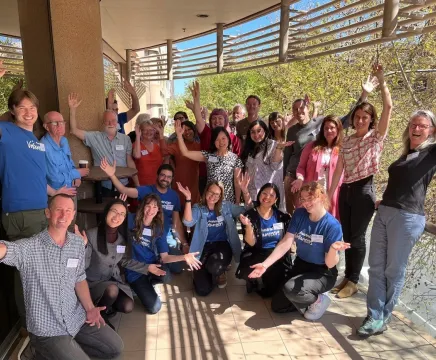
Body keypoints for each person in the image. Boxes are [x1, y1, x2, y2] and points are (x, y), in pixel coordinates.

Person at [0, 194, 123, 360]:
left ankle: (49, 355)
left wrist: (90, 308)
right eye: (58, 210)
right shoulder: (29, 248)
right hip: (46, 329)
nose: (63, 215)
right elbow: (5, 250)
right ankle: (42, 350)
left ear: (73, 215)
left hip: (75, 317)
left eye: (68, 211)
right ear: (48, 213)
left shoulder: (77, 244)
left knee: (115, 347)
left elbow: (79, 278)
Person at [357, 110, 436, 337]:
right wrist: (386, 200)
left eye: (422, 125)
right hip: (384, 212)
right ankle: (374, 314)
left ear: (432, 131)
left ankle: (383, 317)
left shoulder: (431, 154)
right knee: (376, 267)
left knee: (394, 270)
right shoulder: (406, 155)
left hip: (408, 218)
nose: (416, 128)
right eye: (413, 124)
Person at [328, 64, 392, 298]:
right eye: (358, 116)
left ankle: (354, 280)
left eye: (365, 117)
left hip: (365, 189)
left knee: (357, 236)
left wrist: (381, 80)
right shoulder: (346, 141)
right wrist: (330, 193)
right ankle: (347, 276)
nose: (361, 120)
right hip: (346, 190)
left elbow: (388, 107)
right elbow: (338, 170)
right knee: (346, 235)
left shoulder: (376, 138)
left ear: (371, 120)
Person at [249, 182, 350, 320]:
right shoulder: (299, 214)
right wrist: (265, 265)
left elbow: (331, 264)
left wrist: (332, 249)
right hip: (301, 265)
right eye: (303, 199)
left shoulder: (332, 225)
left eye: (310, 198)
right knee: (277, 305)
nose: (306, 203)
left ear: (321, 197)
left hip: (322, 272)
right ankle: (306, 298)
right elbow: (286, 242)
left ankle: (317, 300)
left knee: (291, 289)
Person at [283, 79, 378, 214]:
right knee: (296, 214)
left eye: (302, 108)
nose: (299, 111)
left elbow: (346, 120)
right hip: (295, 175)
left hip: (319, 177)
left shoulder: (320, 122)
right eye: (295, 109)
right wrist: (285, 177)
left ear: (308, 107)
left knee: (324, 213)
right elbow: (287, 154)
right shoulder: (292, 130)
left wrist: (363, 96)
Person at [99, 161, 189, 274]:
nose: (165, 178)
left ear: (172, 179)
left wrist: (184, 243)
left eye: (169, 177)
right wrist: (112, 175)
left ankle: (159, 260)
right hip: (145, 238)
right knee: (163, 272)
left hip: (164, 238)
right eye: (162, 175)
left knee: (178, 268)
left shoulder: (174, 196)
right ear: (157, 176)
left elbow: (177, 223)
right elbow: (124, 190)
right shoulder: (146, 190)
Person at [85, 196, 160, 327]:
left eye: (122, 214)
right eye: (114, 211)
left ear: (125, 218)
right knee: (112, 290)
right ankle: (99, 315)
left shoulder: (121, 239)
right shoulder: (90, 235)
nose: (117, 216)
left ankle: (106, 306)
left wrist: (147, 268)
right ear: (106, 212)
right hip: (93, 282)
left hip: (113, 279)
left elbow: (125, 261)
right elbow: (82, 266)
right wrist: (83, 247)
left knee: (128, 306)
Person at [126, 194, 201, 313]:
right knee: (154, 308)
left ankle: (150, 283)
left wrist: (184, 257)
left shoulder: (158, 228)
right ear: (142, 206)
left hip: (152, 267)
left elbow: (164, 257)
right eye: (148, 205)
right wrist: (119, 206)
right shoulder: (130, 219)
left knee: (167, 276)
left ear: (158, 210)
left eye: (155, 206)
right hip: (135, 270)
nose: (151, 209)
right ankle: (136, 287)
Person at [177, 175, 251, 294]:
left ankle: (218, 270)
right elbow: (188, 221)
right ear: (206, 191)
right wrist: (188, 199)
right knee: (202, 291)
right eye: (211, 192)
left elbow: (248, 210)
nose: (213, 196)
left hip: (222, 245)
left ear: (220, 196)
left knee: (215, 266)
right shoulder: (198, 207)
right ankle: (206, 272)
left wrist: (245, 191)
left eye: (217, 194)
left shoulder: (226, 206)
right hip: (204, 246)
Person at [68, 93, 140, 197]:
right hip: (104, 185)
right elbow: (74, 130)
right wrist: (72, 110)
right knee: (106, 213)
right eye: (107, 121)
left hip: (123, 184)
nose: (111, 124)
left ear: (117, 122)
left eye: (113, 121)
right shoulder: (95, 137)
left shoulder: (126, 139)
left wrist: (137, 184)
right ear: (103, 123)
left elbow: (129, 161)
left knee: (122, 212)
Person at [236, 183, 292, 297]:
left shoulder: (281, 216)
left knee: (270, 292)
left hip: (275, 255)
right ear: (259, 195)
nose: (267, 197)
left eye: (272, 195)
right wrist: (248, 226)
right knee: (247, 271)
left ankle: (267, 277)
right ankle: (252, 281)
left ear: (276, 199)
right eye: (264, 193)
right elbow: (251, 243)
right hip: (257, 252)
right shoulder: (250, 215)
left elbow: (287, 242)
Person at [186, 82, 241, 194]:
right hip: (206, 177)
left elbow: (238, 162)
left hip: (227, 180)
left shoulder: (234, 139)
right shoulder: (206, 132)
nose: (217, 121)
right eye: (214, 119)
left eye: (220, 118)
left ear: (225, 120)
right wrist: (197, 98)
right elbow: (198, 117)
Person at [41, 111, 90, 230]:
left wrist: (76, 177)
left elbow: (70, 162)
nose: (60, 125)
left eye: (62, 122)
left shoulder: (64, 141)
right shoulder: (44, 146)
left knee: (71, 225)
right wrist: (77, 173)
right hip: (56, 195)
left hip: (71, 191)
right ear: (46, 126)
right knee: (58, 228)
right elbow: (54, 178)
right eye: (55, 123)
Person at [175, 120, 243, 204]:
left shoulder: (235, 159)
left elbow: (237, 182)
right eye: (217, 140)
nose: (221, 142)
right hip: (210, 200)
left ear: (228, 139)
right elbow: (186, 153)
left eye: (223, 138)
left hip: (228, 202)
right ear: (213, 142)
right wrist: (179, 135)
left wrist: (237, 201)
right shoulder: (208, 156)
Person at [291, 115, 344, 220]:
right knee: (309, 220)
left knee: (328, 221)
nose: (329, 130)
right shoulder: (311, 146)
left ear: (338, 129)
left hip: (332, 192)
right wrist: (300, 179)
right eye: (326, 128)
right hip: (312, 191)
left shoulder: (343, 148)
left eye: (332, 128)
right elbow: (301, 167)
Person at [241, 120, 293, 211]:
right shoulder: (250, 148)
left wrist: (279, 148)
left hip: (269, 196)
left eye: (259, 131)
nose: (256, 135)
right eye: (252, 132)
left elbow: (276, 166)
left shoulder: (273, 145)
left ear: (265, 130)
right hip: (252, 195)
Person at [166, 120, 201, 208]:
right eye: (184, 130)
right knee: (178, 208)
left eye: (189, 129)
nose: (187, 132)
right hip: (179, 182)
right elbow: (164, 152)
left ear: (194, 130)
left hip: (193, 183)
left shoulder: (199, 146)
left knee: (192, 210)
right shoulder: (177, 145)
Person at [133, 119, 167, 186]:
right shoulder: (136, 145)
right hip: (141, 185)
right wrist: (137, 136)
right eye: (145, 130)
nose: (148, 132)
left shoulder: (157, 146)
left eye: (151, 130)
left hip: (157, 185)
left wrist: (161, 134)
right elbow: (137, 155)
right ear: (140, 131)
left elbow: (166, 154)